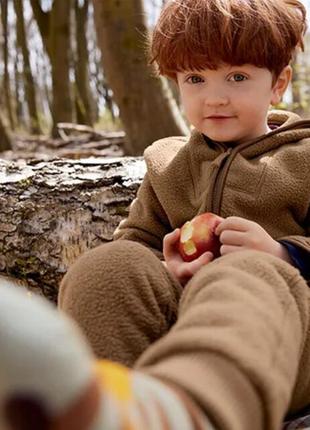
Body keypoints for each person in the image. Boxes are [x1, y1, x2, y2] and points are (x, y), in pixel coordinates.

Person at [58, 0, 310, 428]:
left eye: (237, 76)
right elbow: (135, 241)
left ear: (278, 83)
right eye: (195, 78)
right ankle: (102, 412)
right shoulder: (168, 163)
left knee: (245, 273)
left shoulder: (304, 159)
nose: (215, 97)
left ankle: (197, 417)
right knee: (108, 266)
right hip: (178, 332)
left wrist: (284, 254)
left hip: (286, 340)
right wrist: (165, 265)